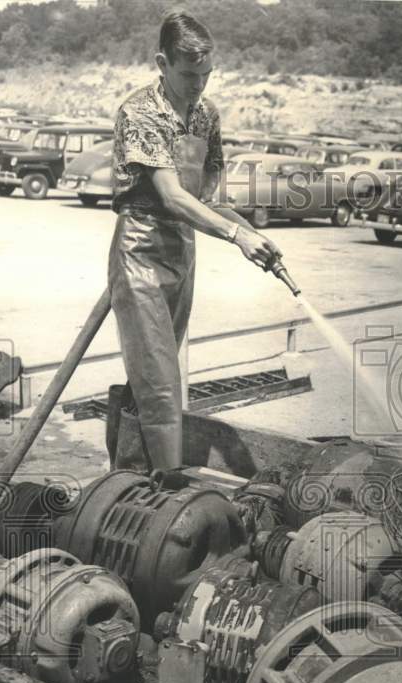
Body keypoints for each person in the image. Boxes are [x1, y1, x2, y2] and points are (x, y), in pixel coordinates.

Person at [108, 10, 281, 471]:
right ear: (162, 63)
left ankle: (127, 476)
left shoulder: (206, 115)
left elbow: (206, 198)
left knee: (148, 375)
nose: (198, 85)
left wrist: (252, 235)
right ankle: (163, 491)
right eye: (188, 75)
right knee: (162, 382)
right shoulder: (140, 111)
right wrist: (234, 235)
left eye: (206, 75)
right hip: (141, 249)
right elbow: (170, 195)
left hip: (182, 250)